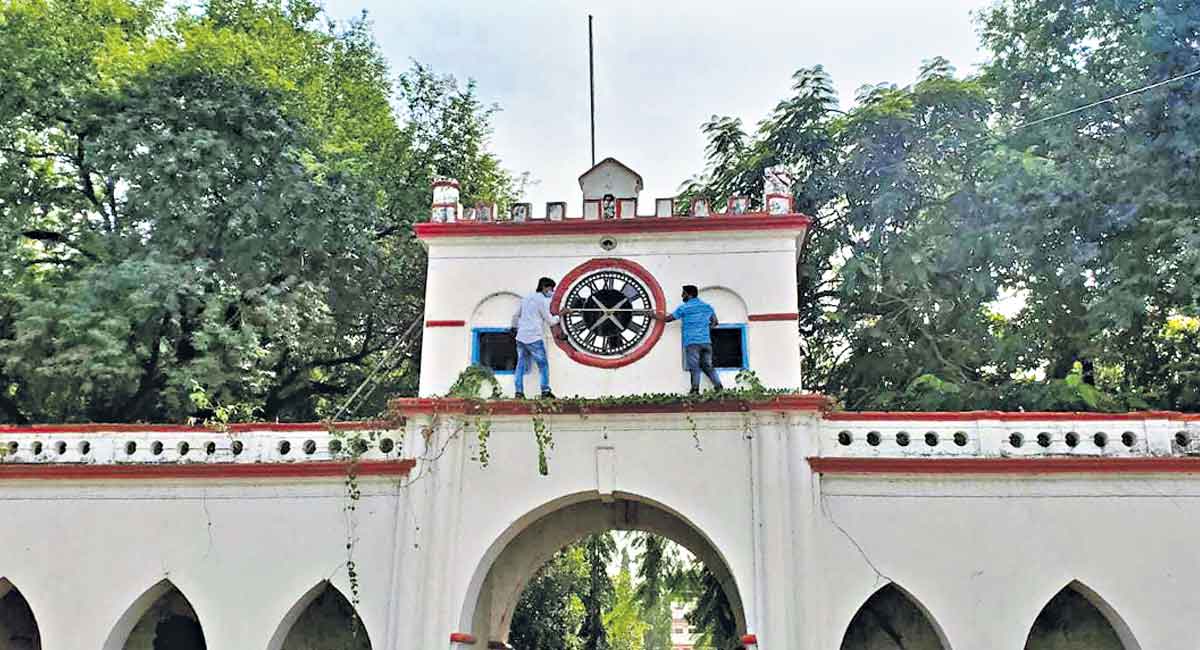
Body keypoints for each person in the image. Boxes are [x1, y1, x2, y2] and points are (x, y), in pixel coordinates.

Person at [657, 285, 724, 394]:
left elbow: (668, 319)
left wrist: (653, 316)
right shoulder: (707, 307)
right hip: (706, 342)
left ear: (689, 294)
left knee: (694, 367)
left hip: (692, 342)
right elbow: (715, 322)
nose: (682, 296)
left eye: (683, 294)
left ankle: (695, 391)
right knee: (708, 366)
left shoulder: (684, 308)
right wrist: (704, 329)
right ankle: (719, 387)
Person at [510, 277, 569, 399]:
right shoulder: (542, 301)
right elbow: (550, 321)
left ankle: (519, 392)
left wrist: (514, 328)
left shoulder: (526, 298)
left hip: (521, 337)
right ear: (544, 287)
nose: (552, 291)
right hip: (534, 338)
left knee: (520, 365)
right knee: (543, 365)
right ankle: (545, 391)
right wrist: (561, 314)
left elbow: (516, 315)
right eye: (551, 288)